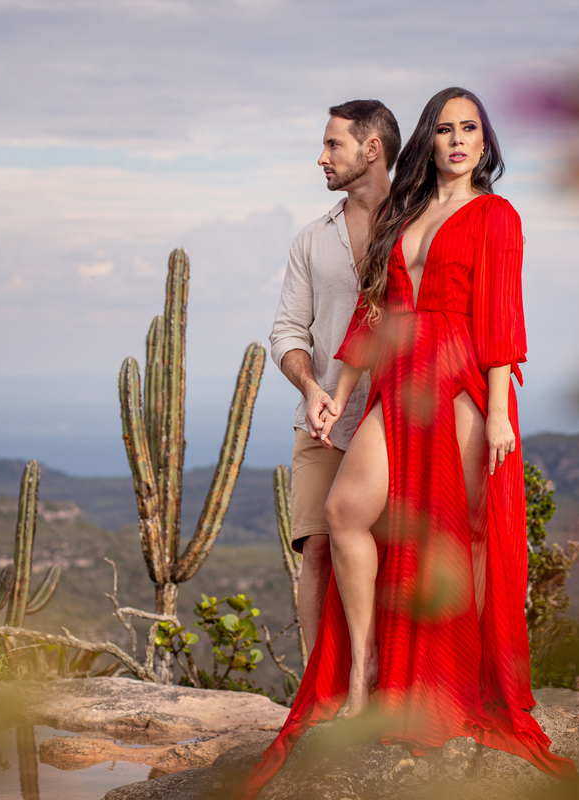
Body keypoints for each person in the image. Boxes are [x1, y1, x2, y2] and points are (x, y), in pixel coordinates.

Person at [239, 88, 577, 799]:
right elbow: (376, 312)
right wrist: (334, 387)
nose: (459, 140)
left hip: (458, 380)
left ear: (486, 141)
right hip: (400, 376)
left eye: (471, 129)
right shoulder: (407, 210)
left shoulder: (496, 215)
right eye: (446, 129)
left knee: (461, 538)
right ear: (428, 138)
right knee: (346, 512)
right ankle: (364, 670)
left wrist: (500, 413)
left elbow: (499, 318)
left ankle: (465, 681)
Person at [269, 99, 400, 647]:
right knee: (318, 551)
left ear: (372, 150)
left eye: (332, 145)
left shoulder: (419, 224)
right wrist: (311, 388)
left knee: (400, 555)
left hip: (397, 415)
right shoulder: (311, 239)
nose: (321, 158)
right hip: (324, 422)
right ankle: (317, 695)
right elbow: (286, 332)